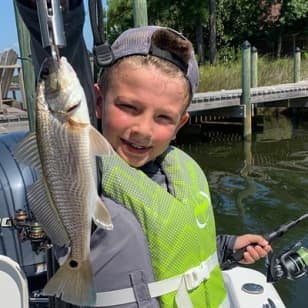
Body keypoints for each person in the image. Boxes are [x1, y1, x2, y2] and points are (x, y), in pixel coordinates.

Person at [17, 1, 271, 307]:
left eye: (163, 118)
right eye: (128, 107)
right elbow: (62, 67)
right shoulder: (91, 165)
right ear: (95, 101)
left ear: (180, 124)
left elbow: (173, 249)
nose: (142, 130)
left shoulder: (176, 171)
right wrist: (57, 14)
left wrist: (227, 247)